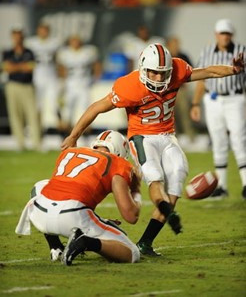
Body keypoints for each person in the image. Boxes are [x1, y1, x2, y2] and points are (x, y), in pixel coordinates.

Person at [61, 43, 244, 256]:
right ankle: (166, 211)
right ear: (143, 68)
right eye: (154, 73)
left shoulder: (177, 70)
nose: (158, 78)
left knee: (178, 172)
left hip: (167, 135)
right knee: (154, 177)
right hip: (142, 137)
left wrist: (233, 70)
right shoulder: (129, 86)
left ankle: (146, 242)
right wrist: (73, 136)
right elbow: (96, 108)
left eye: (163, 73)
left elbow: (208, 72)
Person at [15, 130, 141, 265]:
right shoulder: (118, 162)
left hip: (39, 214)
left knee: (41, 185)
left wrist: (101, 221)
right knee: (132, 253)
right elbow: (130, 216)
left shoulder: (70, 152)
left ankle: (55, 247)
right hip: (72, 215)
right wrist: (136, 189)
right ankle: (86, 242)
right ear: (120, 152)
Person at [190, 19, 246, 199]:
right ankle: (221, 186)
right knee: (218, 140)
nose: (225, 37)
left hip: (235, 97)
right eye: (222, 33)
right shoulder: (207, 51)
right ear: (216, 34)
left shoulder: (241, 51)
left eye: (228, 33)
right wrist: (196, 103)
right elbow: (201, 79)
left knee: (239, 139)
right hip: (212, 99)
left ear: (232, 35)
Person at [2, 26, 41, 150]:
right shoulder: (8, 52)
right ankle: (20, 143)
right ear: (13, 37)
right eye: (15, 35)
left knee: (32, 114)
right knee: (15, 114)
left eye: (19, 35)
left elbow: (31, 67)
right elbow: (6, 68)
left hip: (27, 86)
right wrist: (21, 66)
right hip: (12, 85)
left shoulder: (29, 52)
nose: (18, 38)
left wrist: (15, 67)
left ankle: (36, 143)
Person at [56, 34, 102, 135]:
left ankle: (85, 135)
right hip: (70, 84)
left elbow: (97, 64)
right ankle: (67, 134)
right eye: (73, 40)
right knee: (67, 112)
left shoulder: (88, 51)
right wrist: (62, 81)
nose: (75, 42)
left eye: (77, 40)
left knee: (85, 110)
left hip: (84, 83)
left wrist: (96, 77)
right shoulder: (65, 53)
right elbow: (61, 67)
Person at [25, 22, 61, 134]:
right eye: (42, 30)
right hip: (37, 77)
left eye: (45, 30)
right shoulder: (31, 42)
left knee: (54, 104)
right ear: (38, 31)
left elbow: (59, 59)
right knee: (37, 105)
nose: (43, 32)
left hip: (51, 77)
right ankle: (35, 128)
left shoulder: (55, 42)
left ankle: (60, 128)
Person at [166, 36, 196, 141]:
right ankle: (174, 137)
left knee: (185, 113)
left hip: (181, 89)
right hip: (167, 90)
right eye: (174, 44)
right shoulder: (165, 57)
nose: (176, 47)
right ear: (168, 45)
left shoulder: (183, 56)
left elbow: (192, 70)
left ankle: (191, 137)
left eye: (177, 44)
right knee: (170, 115)